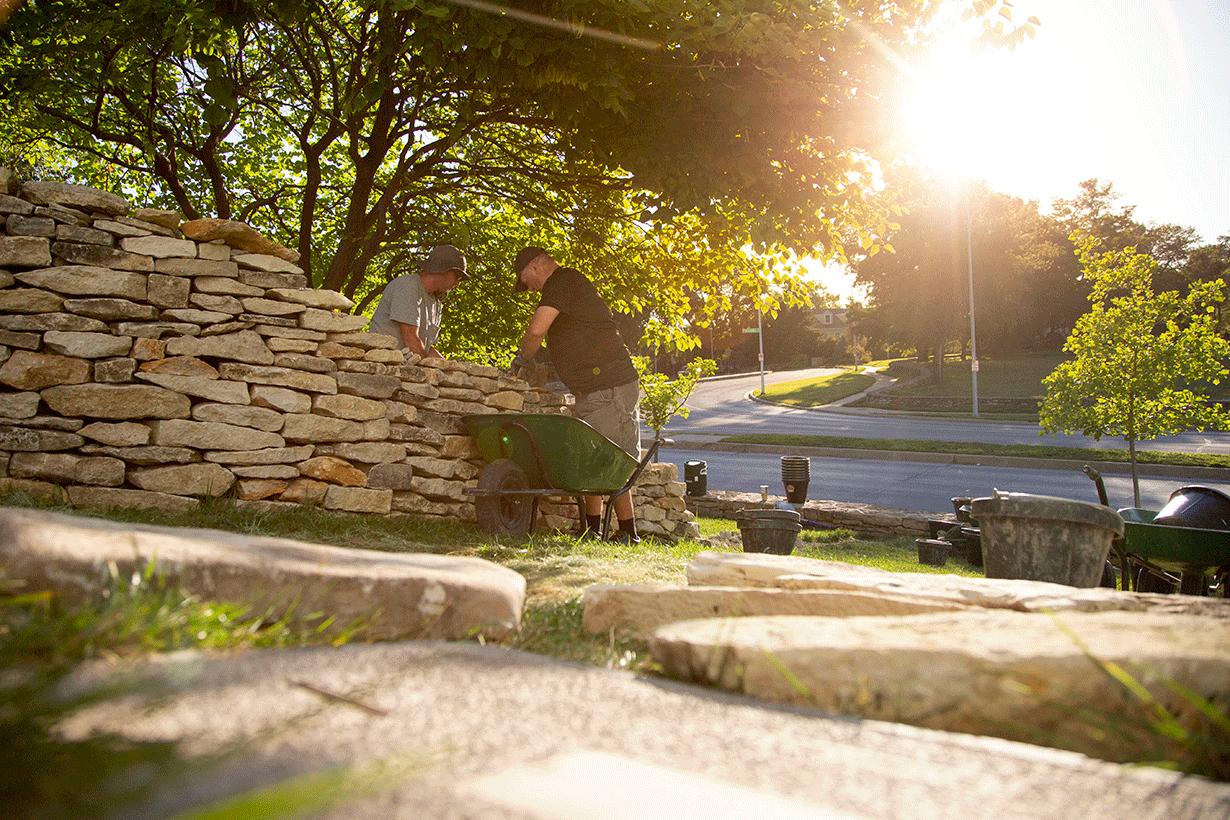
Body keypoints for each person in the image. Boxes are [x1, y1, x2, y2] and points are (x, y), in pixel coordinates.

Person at [511, 246, 642, 543]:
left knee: (613, 459)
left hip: (610, 385)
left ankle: (627, 533)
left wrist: (522, 359)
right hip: (593, 388)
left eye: (525, 280)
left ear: (535, 266)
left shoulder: (562, 281)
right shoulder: (566, 287)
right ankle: (593, 529)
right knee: (592, 457)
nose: (528, 288)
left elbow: (535, 332)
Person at [369, 244, 467, 358]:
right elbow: (410, 338)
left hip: (404, 369)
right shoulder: (408, 285)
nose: (457, 283)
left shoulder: (436, 303)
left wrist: (450, 370)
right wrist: (429, 372)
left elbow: (426, 349)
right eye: (457, 276)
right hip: (380, 365)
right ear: (443, 269)